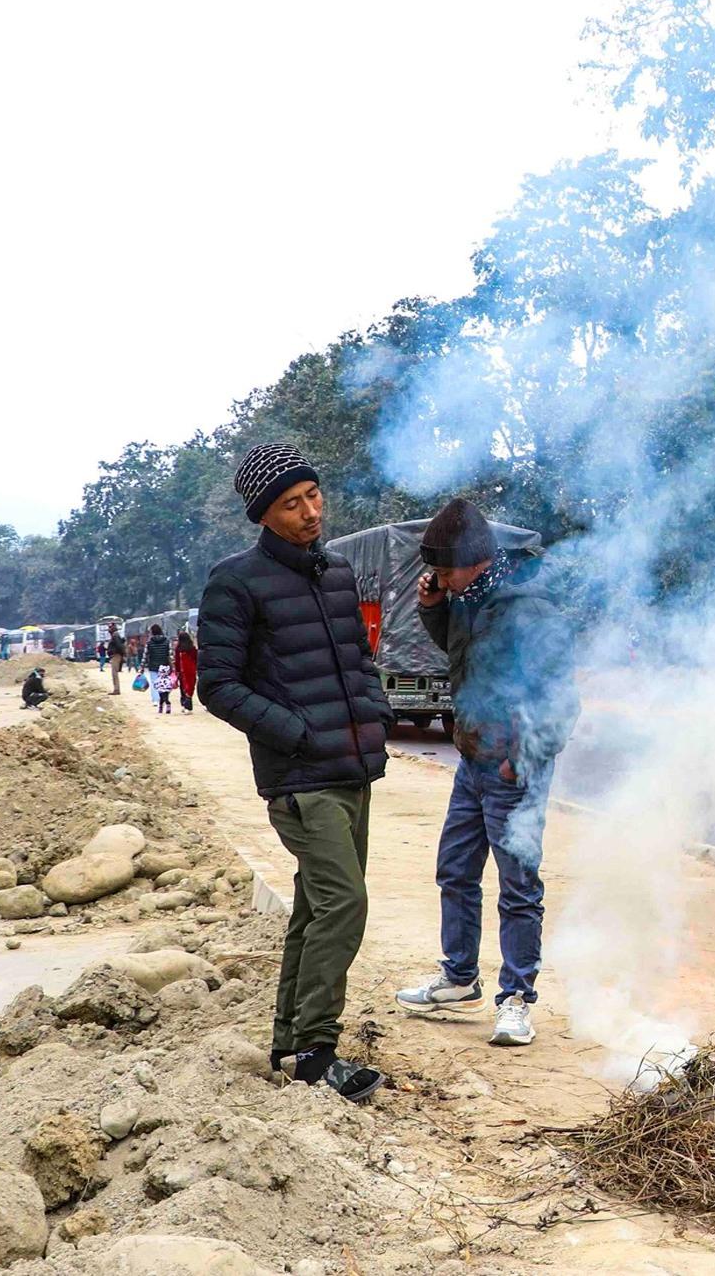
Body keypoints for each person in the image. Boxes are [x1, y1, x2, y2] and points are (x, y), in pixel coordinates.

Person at [199, 442, 394, 1102]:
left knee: (316, 906)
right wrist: (296, 732)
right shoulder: (236, 581)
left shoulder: (337, 573)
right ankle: (317, 1049)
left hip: (352, 769)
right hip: (298, 778)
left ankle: (288, 1043)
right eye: (291, 504)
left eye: (313, 495)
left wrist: (376, 713)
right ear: (264, 514)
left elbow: (358, 660)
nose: (310, 512)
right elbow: (218, 685)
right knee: (345, 901)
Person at [395, 499, 579, 1049]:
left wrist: (519, 759)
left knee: (518, 887)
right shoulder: (468, 598)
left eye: (446, 570)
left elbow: (561, 701)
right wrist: (433, 609)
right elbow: (465, 661)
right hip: (472, 760)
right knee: (455, 869)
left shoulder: (530, 610)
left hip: (513, 766)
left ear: (477, 560)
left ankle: (517, 998)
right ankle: (459, 977)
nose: (439, 579)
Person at [174, 628, 199, 713]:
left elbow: (177, 660)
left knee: (183, 687)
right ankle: (188, 703)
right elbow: (196, 659)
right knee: (190, 687)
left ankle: (185, 704)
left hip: (182, 670)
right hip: (191, 670)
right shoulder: (192, 648)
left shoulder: (178, 648)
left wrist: (176, 670)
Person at [105, 620, 126, 695]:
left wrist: (122, 654)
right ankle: (116, 689)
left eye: (110, 627)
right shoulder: (116, 635)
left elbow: (119, 646)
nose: (109, 629)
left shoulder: (115, 635)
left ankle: (116, 689)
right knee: (114, 673)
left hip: (116, 655)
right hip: (116, 655)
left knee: (114, 673)